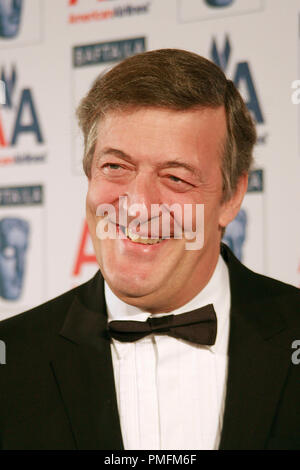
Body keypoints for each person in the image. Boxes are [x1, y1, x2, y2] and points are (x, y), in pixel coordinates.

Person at [0, 49, 299, 450]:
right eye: (116, 167)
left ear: (231, 196)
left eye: (175, 177)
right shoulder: (12, 359)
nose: (138, 206)